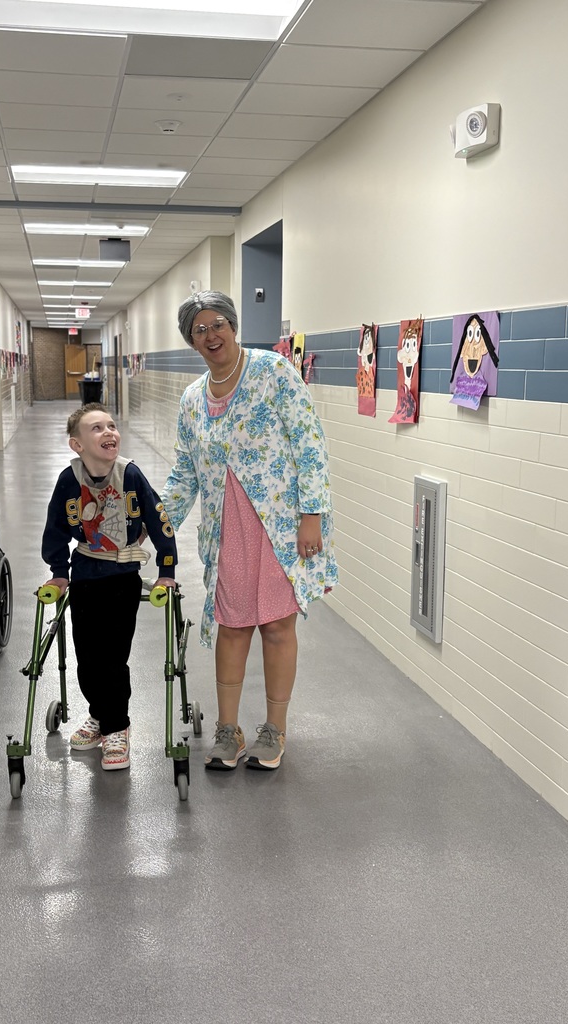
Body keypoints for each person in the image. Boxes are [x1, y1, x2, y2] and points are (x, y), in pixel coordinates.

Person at [161, 291, 337, 772]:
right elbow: (184, 471)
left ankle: (274, 730)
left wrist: (312, 514)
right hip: (226, 527)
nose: (210, 335)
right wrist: (159, 520)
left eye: (217, 324)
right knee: (233, 627)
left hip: (279, 523)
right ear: (190, 341)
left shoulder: (273, 371)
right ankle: (228, 728)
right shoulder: (193, 399)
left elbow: (309, 442)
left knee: (278, 627)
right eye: (199, 329)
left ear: (233, 326)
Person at [42, 403, 177, 772]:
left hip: (122, 577)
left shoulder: (129, 475)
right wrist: (59, 571)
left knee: (113, 658)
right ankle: (99, 715)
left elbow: (159, 519)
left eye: (112, 426)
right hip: (85, 574)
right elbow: (55, 528)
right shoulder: (69, 480)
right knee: (87, 656)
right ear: (77, 444)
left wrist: (167, 569)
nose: (109, 433)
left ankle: (117, 728)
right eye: (96, 428)